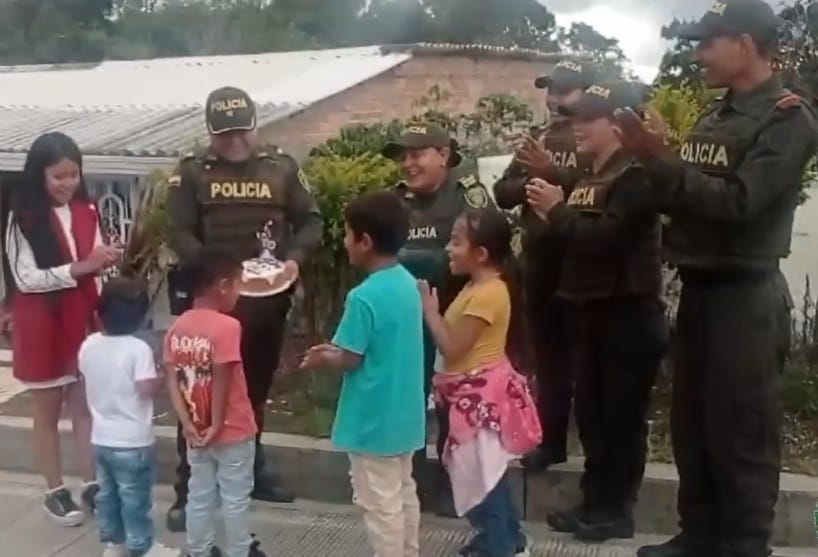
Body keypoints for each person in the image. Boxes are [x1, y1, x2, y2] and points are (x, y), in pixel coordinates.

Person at [610, 1, 818, 556]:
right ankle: (699, 535)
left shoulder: (787, 117)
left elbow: (740, 202)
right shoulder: (717, 116)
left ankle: (745, 544)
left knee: (741, 433)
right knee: (694, 426)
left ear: (745, 44)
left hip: (746, 298)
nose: (700, 54)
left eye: (710, 42)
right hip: (701, 291)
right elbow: (685, 195)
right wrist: (650, 162)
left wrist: (665, 163)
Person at [165, 85, 323, 530]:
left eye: (241, 132)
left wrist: (294, 261)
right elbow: (177, 231)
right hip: (211, 307)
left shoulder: (281, 168)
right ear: (211, 133)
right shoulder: (192, 173)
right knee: (199, 394)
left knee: (253, 392)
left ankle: (253, 469)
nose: (234, 142)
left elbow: (311, 221)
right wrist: (214, 273)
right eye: (224, 134)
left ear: (254, 126)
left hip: (266, 302)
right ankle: (187, 489)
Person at [526, 81, 668, 542]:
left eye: (588, 119)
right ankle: (593, 501)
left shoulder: (634, 176)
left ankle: (615, 510)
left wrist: (558, 212)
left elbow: (604, 240)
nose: (577, 128)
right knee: (592, 412)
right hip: (591, 309)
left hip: (627, 311)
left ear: (618, 123)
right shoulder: (592, 174)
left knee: (621, 418)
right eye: (575, 118)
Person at [1, 132, 121, 526]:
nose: (67, 183)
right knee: (47, 411)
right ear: (40, 176)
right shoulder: (24, 218)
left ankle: (92, 484)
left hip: (84, 319)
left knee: (85, 408)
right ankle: (55, 490)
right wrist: (80, 268)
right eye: (58, 176)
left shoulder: (88, 209)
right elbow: (25, 278)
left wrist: (103, 266)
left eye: (73, 174)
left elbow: (97, 266)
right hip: (42, 324)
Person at [299, 190, 425, 557]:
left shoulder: (363, 297)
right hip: (405, 414)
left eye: (347, 234)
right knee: (403, 493)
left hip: (373, 420)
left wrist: (324, 357)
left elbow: (350, 358)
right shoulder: (408, 284)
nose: (344, 241)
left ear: (365, 242)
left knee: (379, 504)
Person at [381, 123, 495, 517]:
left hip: (455, 315)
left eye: (417, 154)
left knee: (455, 402)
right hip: (405, 321)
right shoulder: (394, 202)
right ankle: (408, 479)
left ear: (444, 155)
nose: (408, 164)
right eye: (405, 155)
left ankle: (452, 482)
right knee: (408, 398)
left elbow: (488, 256)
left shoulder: (469, 198)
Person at [494, 59, 598, 472]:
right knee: (547, 357)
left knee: (586, 362)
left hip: (581, 259)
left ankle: (592, 452)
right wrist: (531, 182)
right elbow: (503, 191)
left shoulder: (594, 138)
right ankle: (550, 441)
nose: (555, 101)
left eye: (565, 91)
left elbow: (600, 187)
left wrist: (552, 174)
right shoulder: (538, 138)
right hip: (538, 262)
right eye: (551, 91)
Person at [418, 208, 541, 557]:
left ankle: (501, 547)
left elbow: (454, 349)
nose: (448, 248)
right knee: (484, 476)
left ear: (481, 253)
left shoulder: (489, 293)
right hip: (469, 400)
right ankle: (505, 539)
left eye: (456, 242)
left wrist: (430, 313)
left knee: (483, 481)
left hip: (478, 404)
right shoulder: (477, 287)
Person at [164, 247, 266, 557]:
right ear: (223, 285)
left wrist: (188, 424)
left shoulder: (177, 326)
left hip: (195, 429)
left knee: (199, 493)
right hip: (232, 428)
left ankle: (199, 550)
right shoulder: (228, 326)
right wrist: (218, 422)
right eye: (238, 285)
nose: (239, 293)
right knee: (235, 497)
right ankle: (239, 550)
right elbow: (223, 375)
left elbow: (173, 379)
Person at [79, 277, 176, 557]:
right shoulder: (138, 349)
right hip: (133, 440)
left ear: (99, 314)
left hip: (101, 438)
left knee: (107, 496)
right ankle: (142, 546)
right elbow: (144, 388)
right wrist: (163, 378)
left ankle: (114, 544)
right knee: (135, 498)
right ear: (142, 318)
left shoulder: (89, 345)